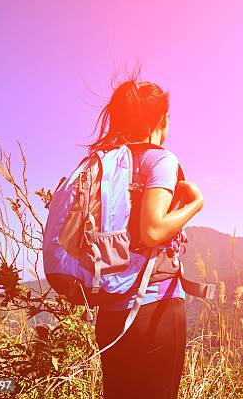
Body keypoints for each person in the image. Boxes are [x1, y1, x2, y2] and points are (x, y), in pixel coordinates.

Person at [89, 77, 203, 398]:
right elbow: (151, 230)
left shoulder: (105, 164)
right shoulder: (161, 159)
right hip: (155, 310)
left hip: (111, 314)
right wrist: (195, 205)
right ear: (160, 121)